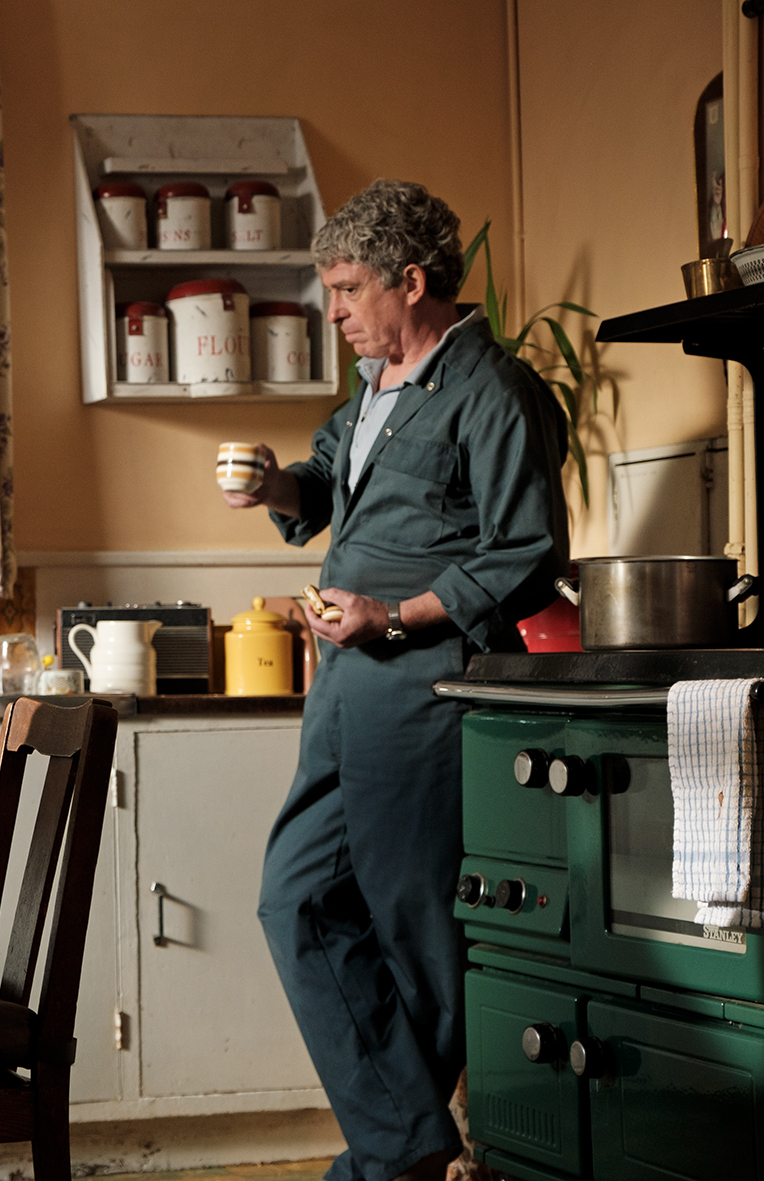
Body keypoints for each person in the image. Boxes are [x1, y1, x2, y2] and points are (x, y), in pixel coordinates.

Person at [223, 180, 570, 1181]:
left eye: (343, 287)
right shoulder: (373, 386)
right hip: (342, 683)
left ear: (408, 281)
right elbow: (324, 485)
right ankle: (406, 1148)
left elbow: (525, 551)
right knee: (294, 895)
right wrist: (272, 486)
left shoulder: (495, 392)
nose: (330, 310)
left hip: (426, 686)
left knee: (415, 929)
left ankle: (389, 1161)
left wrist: (397, 614)